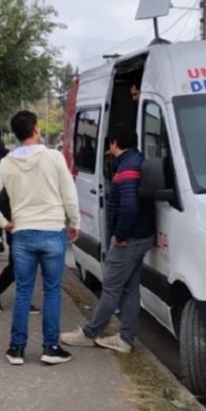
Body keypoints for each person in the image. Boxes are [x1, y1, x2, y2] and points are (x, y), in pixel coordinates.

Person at [0, 110, 80, 366]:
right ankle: (51, 347)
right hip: (52, 231)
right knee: (51, 291)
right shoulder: (54, 157)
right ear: (36, 129)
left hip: (22, 232)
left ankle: (16, 348)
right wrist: (74, 222)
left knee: (23, 291)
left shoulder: (7, 162)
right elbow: (69, 194)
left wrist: (4, 223)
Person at [61, 129, 155, 354]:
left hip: (129, 240)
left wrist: (120, 236)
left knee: (112, 287)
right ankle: (125, 338)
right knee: (130, 289)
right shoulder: (136, 160)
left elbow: (129, 207)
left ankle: (90, 333)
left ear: (114, 142)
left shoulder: (128, 169)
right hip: (142, 236)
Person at [0, 189, 40, 314]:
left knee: (21, 266)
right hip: (17, 229)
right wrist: (7, 223)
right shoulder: (16, 181)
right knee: (18, 266)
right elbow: (2, 202)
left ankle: (20, 300)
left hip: (24, 228)